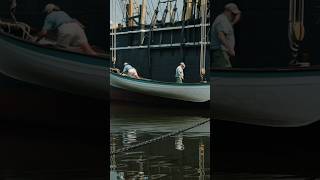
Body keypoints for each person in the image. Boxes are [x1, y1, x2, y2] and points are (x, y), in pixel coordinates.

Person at [211, 3, 241, 68]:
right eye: (232, 14)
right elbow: (221, 36)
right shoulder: (222, 20)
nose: (234, 16)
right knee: (225, 70)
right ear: (227, 11)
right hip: (221, 52)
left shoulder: (226, 21)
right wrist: (230, 49)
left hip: (223, 53)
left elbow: (238, 16)